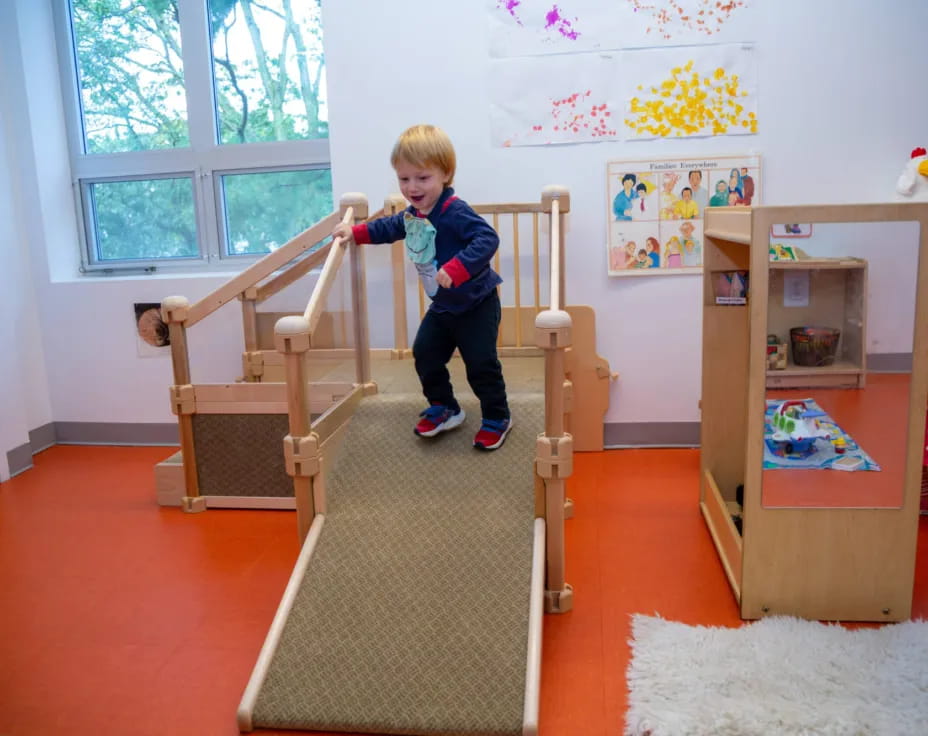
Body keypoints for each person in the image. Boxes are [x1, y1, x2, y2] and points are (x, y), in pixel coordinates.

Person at [332, 124, 512, 450]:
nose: (412, 187)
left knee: (480, 364)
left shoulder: (454, 211)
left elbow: (488, 238)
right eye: (404, 179)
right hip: (443, 306)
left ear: (445, 174)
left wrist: (457, 268)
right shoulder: (414, 214)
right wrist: (355, 233)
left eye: (422, 178)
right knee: (425, 354)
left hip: (476, 303)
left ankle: (497, 417)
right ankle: (446, 407)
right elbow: (389, 226)